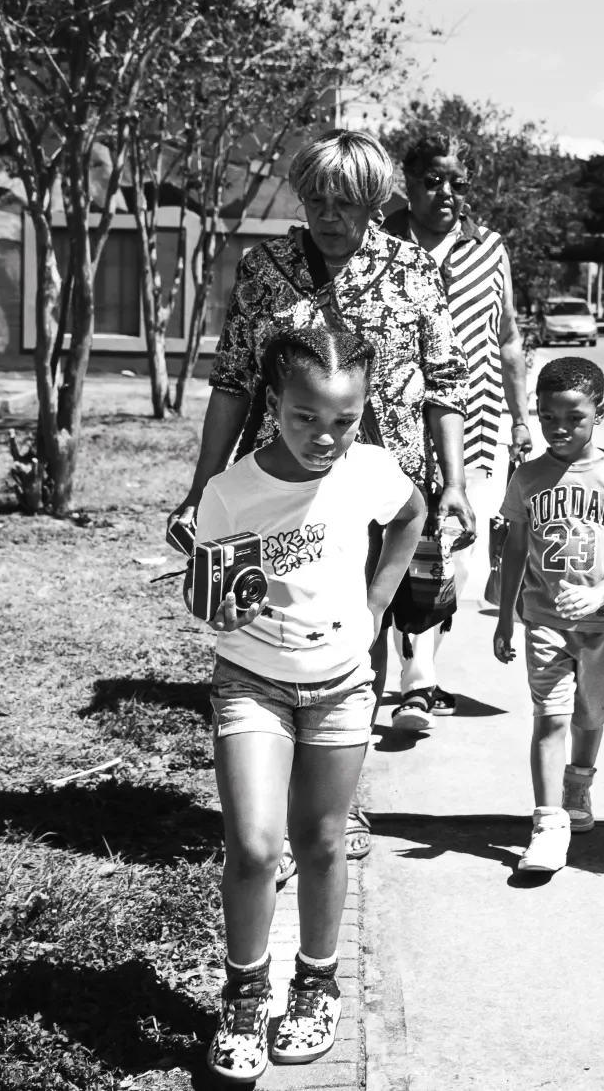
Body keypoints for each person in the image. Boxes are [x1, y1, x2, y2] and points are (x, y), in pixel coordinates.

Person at [174, 129, 471, 865]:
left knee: (357, 637)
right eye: (316, 199)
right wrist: (200, 485)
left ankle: (335, 803)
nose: (328, 214)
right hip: (277, 487)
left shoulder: (413, 270)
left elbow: (445, 385)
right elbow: (235, 380)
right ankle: (268, 813)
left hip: (377, 486)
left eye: (345, 202)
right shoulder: (265, 268)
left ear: (374, 201)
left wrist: (455, 482)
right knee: (270, 624)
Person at [195, 325, 427, 1084]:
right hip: (252, 682)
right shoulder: (230, 493)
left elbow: (410, 516)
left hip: (340, 685)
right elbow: (209, 592)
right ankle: (244, 994)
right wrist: (220, 609)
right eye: (304, 417)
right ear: (274, 401)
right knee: (257, 846)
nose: (324, 436)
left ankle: (318, 984)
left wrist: (376, 602)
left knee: (324, 841)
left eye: (343, 420)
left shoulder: (370, 469)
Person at [381, 133, 534, 733]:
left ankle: (419, 678)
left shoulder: (489, 247)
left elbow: (509, 338)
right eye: (433, 181)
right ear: (408, 182)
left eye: (457, 183)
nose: (446, 193)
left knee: (456, 553)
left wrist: (521, 419)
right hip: (393, 422)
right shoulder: (381, 239)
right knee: (400, 544)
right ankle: (414, 679)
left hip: (476, 422)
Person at [492, 357, 604, 875]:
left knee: (590, 716)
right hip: (543, 618)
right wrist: (505, 616)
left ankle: (578, 784)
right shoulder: (526, 477)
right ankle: (547, 824)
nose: (559, 429)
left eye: (574, 418)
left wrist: (602, 593)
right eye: (548, 418)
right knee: (551, 716)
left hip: (603, 624)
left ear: (599, 414)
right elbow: (515, 550)